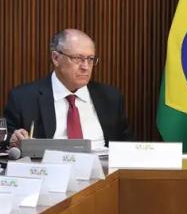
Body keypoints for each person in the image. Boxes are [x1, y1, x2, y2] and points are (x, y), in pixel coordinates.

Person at [4, 29, 133, 150]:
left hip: (103, 171)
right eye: (77, 58)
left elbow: (126, 146)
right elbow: (6, 140)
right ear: (56, 58)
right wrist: (13, 139)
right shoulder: (24, 98)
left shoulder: (111, 98)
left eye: (90, 59)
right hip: (49, 170)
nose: (85, 67)